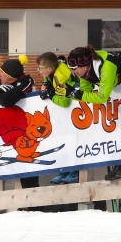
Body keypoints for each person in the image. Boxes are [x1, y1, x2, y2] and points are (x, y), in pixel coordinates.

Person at [63, 46, 121, 180]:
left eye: (75, 68)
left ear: (85, 65)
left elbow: (101, 97)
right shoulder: (85, 72)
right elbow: (85, 92)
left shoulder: (107, 66)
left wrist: (74, 93)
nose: (73, 71)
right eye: (71, 68)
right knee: (118, 123)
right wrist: (73, 94)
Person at [0, 57, 39, 193]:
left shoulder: (26, 83)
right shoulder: (2, 84)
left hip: (28, 133)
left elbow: (7, 101)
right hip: (10, 133)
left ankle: (36, 207)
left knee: (28, 173)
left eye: (2, 73)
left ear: (10, 77)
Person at [36, 52, 80, 184]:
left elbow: (65, 101)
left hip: (76, 112)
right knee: (64, 141)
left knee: (74, 141)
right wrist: (46, 87)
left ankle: (75, 171)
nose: (38, 71)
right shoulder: (53, 72)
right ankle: (65, 170)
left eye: (40, 69)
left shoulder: (61, 77)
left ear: (49, 69)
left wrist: (50, 95)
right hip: (67, 116)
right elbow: (48, 82)